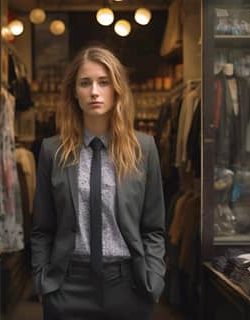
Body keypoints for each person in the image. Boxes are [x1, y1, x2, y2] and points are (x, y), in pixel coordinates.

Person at [31, 45, 166, 320]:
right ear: (74, 92)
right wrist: (43, 281)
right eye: (85, 83)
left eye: (104, 82)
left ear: (117, 89)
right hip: (66, 287)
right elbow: (42, 228)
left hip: (129, 286)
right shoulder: (51, 151)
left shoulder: (144, 148)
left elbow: (153, 228)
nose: (95, 91)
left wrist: (154, 279)